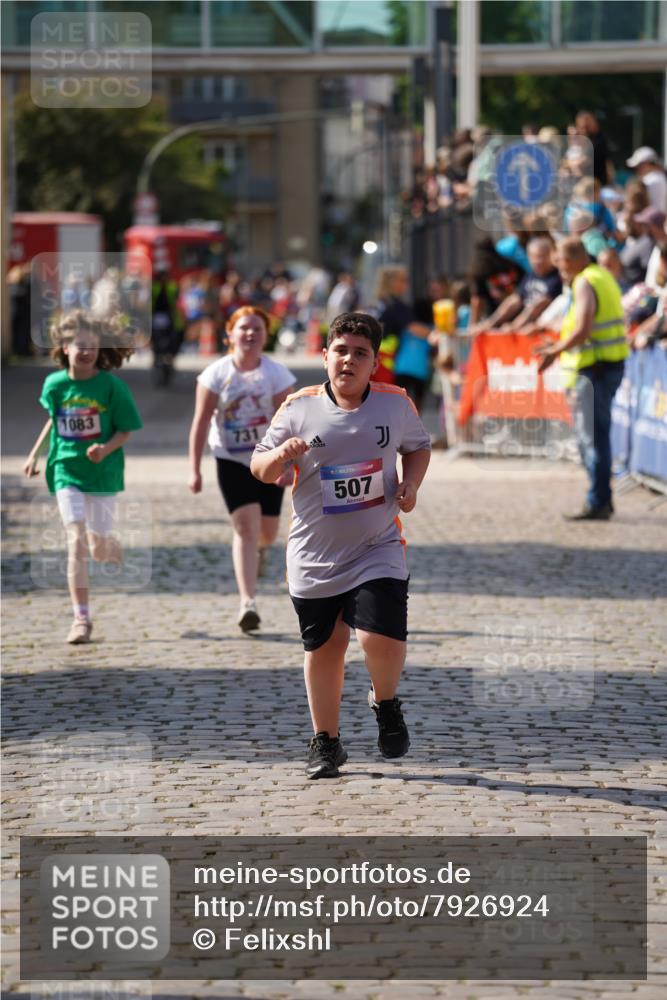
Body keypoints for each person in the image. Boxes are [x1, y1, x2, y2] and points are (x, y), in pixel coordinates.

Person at [251, 312, 431, 780]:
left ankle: (386, 703)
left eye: (361, 353)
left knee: (378, 638)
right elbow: (260, 468)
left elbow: (418, 446)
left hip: (378, 545)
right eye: (341, 351)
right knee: (326, 647)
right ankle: (326, 743)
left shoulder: (395, 405)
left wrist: (410, 485)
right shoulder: (297, 408)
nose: (349, 360)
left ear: (375, 364)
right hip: (314, 554)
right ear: (325, 355)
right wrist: (280, 455)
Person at [23, 310, 142, 643]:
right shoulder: (55, 385)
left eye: (92, 346)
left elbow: (126, 430)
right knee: (75, 541)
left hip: (102, 475)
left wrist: (104, 449)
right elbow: (53, 421)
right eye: (80, 346)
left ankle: (112, 548)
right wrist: (35, 455)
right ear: (64, 346)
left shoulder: (111, 387)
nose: (86, 352)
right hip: (66, 470)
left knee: (98, 548)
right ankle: (82, 619)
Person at [188, 306, 296, 632]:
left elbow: (289, 423)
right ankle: (247, 602)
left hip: (268, 459)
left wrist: (288, 465)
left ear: (265, 336)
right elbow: (201, 421)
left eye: (257, 329)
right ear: (230, 334)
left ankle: (261, 551)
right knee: (245, 528)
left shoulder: (277, 375)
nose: (250, 334)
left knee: (267, 532)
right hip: (230, 460)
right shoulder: (215, 375)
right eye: (244, 328)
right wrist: (194, 469)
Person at [535, 237, 629, 520]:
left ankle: (598, 501)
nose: (560, 270)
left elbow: (584, 328)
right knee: (594, 436)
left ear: (574, 258)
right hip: (607, 365)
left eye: (561, 264)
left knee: (592, 439)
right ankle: (602, 499)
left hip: (595, 369)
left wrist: (554, 350)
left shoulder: (585, 281)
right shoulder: (603, 276)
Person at [471, 237, 561, 333]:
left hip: (540, 330)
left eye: (541, 256)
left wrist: (515, 326)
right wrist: (491, 323)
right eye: (534, 257)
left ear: (551, 256)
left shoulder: (557, 278)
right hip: (522, 329)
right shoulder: (530, 276)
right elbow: (515, 300)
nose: (537, 261)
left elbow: (538, 306)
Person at [626, 147, 667, 213]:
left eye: (639, 165)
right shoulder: (659, 177)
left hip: (651, 221)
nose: (637, 168)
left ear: (647, 163)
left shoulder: (652, 180)